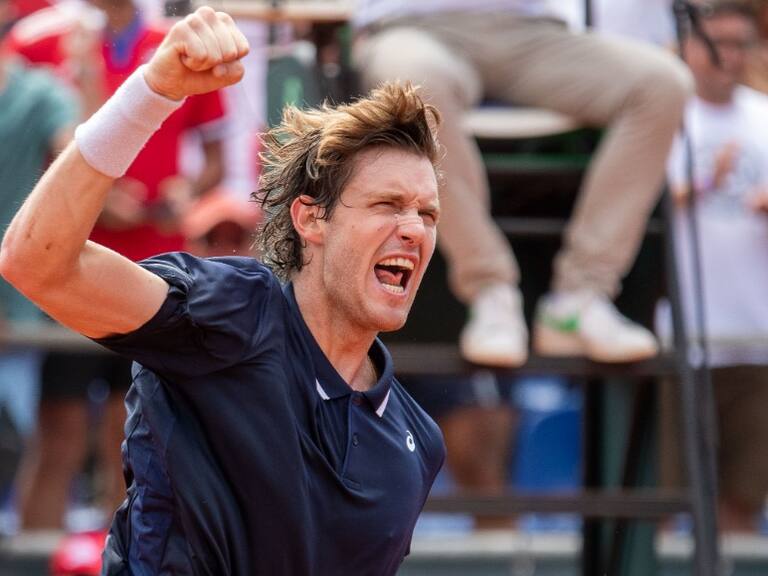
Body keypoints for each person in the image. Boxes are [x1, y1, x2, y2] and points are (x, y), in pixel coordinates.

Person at [0, 7, 446, 573]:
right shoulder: (231, 311)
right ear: (311, 220)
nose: (414, 227)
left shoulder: (415, 443)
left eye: (427, 213)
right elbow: (36, 261)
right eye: (387, 204)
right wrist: (152, 92)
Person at [353, 0, 691, 368]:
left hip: (536, 33)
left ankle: (580, 299)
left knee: (663, 83)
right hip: (414, 27)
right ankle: (489, 289)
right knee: (409, 85)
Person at [6, 0, 229, 529]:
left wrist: (185, 192)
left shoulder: (185, 40)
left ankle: (120, 563)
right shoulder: (42, 38)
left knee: (132, 442)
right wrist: (92, 193)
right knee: (58, 434)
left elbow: (216, 159)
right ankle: (38, 567)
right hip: (70, 264)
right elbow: (28, 140)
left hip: (156, 269)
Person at [662, 0, 768, 533]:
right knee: (662, 498)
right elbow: (641, 209)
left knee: (742, 503)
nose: (728, 57)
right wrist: (703, 183)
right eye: (715, 43)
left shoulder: (765, 117)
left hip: (757, 341)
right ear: (688, 46)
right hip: (679, 342)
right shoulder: (661, 111)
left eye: (739, 44)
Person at [0, 0, 77, 490]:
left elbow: (83, 150)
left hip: (17, 309)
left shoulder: (40, 91)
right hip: (18, 306)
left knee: (16, 446)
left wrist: (89, 71)